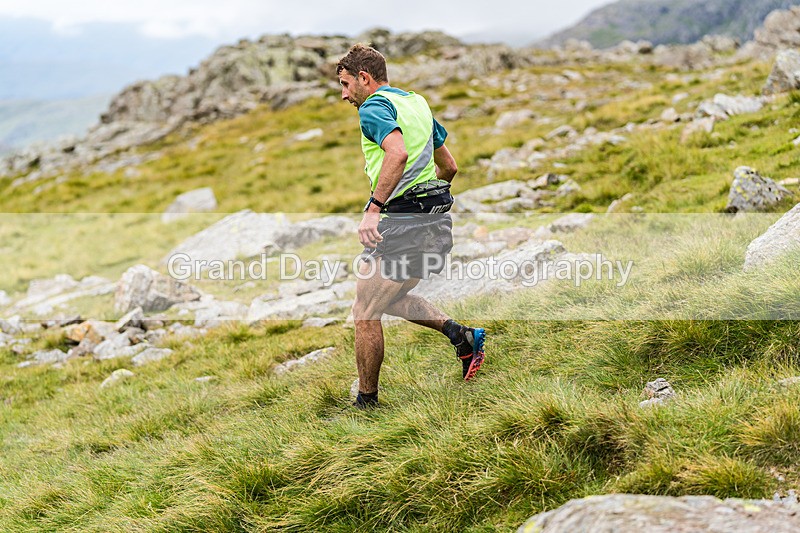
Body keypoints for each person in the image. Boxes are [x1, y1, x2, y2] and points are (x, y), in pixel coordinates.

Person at [336, 43, 486, 409]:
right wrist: (427, 203)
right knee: (388, 299)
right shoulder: (416, 103)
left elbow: (397, 152)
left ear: (364, 78)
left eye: (345, 84)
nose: (344, 95)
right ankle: (461, 336)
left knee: (364, 312)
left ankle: (367, 403)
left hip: (402, 222)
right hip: (435, 222)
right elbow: (449, 167)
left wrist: (374, 208)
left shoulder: (374, 106)